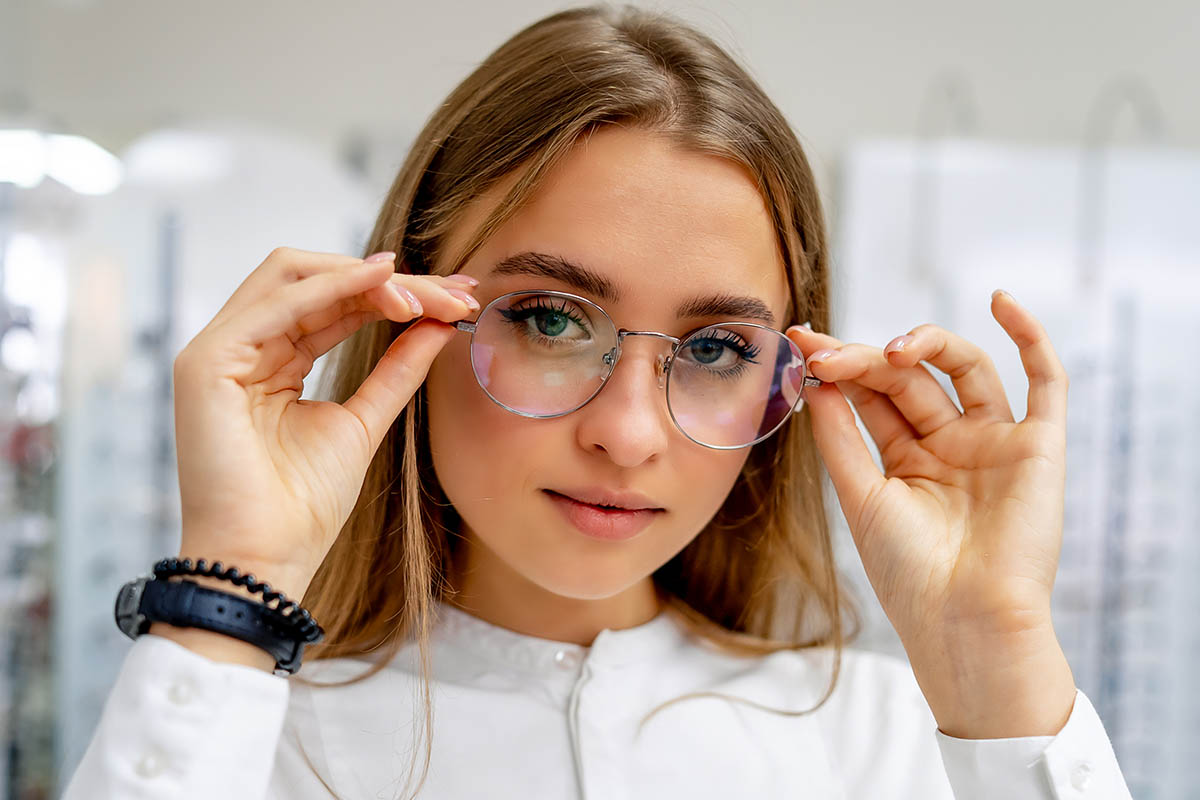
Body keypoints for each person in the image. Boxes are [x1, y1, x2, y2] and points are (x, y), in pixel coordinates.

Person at [62, 4, 1131, 799]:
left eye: (714, 346)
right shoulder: (226, 727)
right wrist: (232, 584)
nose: (626, 432)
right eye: (551, 318)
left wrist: (997, 656)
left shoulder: (898, 739)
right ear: (409, 314)